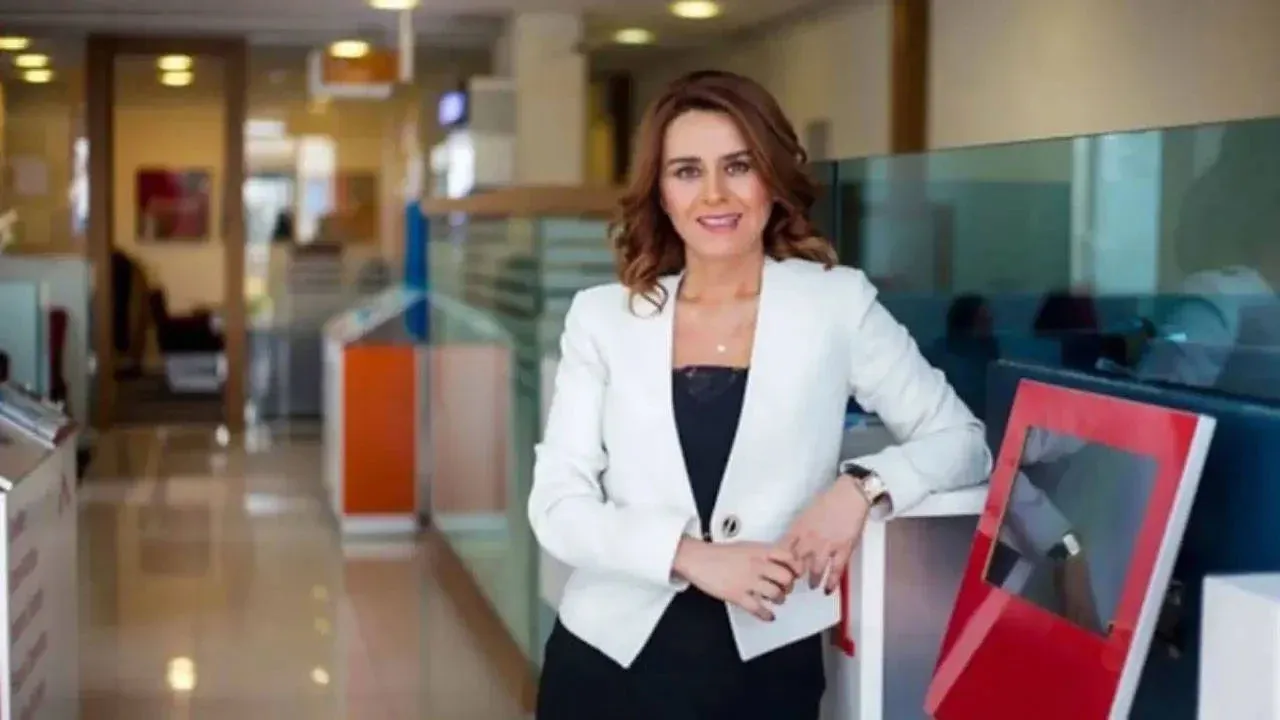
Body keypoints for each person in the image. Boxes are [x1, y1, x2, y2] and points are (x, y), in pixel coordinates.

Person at [528, 70, 991, 720]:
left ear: (771, 177)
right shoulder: (603, 318)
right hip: (605, 665)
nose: (714, 193)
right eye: (687, 171)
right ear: (661, 193)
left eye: (738, 166)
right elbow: (557, 506)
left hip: (766, 671)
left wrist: (860, 487)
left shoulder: (836, 303)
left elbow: (962, 443)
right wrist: (691, 557)